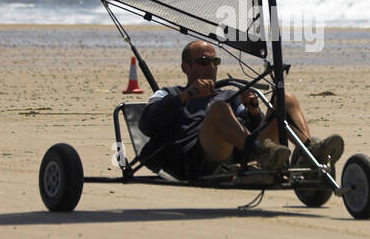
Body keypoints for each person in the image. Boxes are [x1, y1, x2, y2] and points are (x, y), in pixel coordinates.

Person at [138, 40, 344, 180]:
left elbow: (251, 126)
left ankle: (310, 150)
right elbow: (146, 124)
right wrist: (186, 96)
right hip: (199, 159)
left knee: (286, 99)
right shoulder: (169, 94)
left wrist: (253, 111)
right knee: (218, 109)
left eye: (214, 61)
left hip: (244, 152)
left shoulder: (229, 94)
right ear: (185, 67)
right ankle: (263, 154)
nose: (211, 67)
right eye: (203, 62)